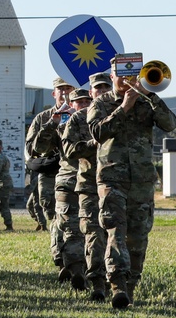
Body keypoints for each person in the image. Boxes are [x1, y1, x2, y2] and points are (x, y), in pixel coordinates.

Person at [88, 61, 176, 309]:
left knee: (138, 237)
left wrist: (150, 96)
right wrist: (124, 107)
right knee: (116, 231)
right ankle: (117, 286)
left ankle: (131, 288)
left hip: (141, 180)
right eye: (121, 76)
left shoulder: (147, 100)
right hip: (111, 179)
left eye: (131, 76)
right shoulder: (101, 102)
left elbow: (170, 124)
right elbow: (97, 132)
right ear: (113, 75)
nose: (126, 81)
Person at [62, 72, 112, 301]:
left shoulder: (120, 114)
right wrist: (93, 143)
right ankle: (97, 283)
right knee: (93, 233)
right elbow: (69, 150)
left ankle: (118, 280)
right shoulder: (77, 119)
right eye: (97, 88)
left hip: (116, 184)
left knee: (115, 234)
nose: (101, 92)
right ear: (90, 92)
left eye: (105, 88)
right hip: (90, 185)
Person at [36, 88, 92, 290]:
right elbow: (39, 147)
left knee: (92, 229)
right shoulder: (63, 124)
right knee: (69, 227)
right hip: (68, 181)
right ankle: (76, 269)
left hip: (93, 182)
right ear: (72, 104)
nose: (84, 105)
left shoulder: (99, 122)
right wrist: (53, 123)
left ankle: (82, 269)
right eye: (79, 102)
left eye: (87, 101)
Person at [26, 78, 75, 251]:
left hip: (74, 171)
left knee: (74, 213)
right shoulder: (42, 118)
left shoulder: (81, 113)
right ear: (54, 93)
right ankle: (60, 251)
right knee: (51, 212)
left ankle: (67, 253)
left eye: (68, 88)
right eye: (60, 89)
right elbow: (31, 148)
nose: (65, 92)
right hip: (50, 172)